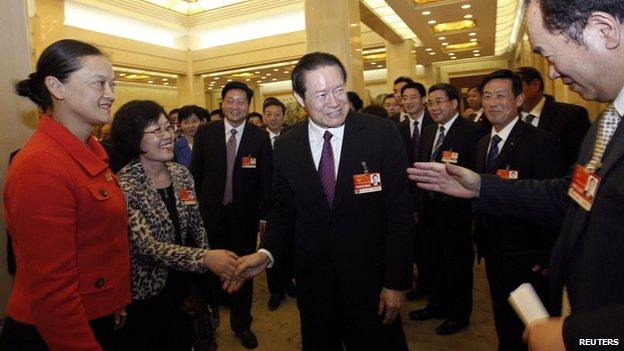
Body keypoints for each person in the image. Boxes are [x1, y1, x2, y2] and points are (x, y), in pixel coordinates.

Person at [407, 1, 624, 349]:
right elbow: (570, 196)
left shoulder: (560, 134)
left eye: (549, 55)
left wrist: (584, 336)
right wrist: (481, 186)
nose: (551, 73)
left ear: (604, 30)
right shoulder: (608, 123)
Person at [234, 52, 414, 350]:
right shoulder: (287, 144)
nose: (334, 102)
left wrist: (396, 281)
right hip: (315, 283)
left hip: (370, 282)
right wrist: (266, 252)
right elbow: (283, 212)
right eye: (321, 94)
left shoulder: (381, 133)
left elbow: (400, 213)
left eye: (339, 90)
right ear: (300, 98)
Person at [0, 39, 131, 351]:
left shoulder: (90, 154)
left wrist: (112, 302)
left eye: (112, 84)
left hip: (94, 314)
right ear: (56, 88)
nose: (110, 94)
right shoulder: (42, 164)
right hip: (55, 333)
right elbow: (52, 293)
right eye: (99, 83)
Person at [108, 100, 239, 351]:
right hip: (149, 291)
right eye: (157, 130)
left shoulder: (181, 174)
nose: (168, 135)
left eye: (168, 127)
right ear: (133, 138)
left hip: (187, 283)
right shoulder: (124, 185)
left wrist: (207, 272)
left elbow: (196, 224)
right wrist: (204, 258)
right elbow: (146, 248)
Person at [473, 69, 566, 351]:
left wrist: (548, 253)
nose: (492, 103)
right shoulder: (481, 144)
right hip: (494, 251)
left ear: (519, 99)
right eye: (487, 96)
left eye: (501, 96)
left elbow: (555, 203)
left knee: (536, 329)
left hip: (529, 256)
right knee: (504, 320)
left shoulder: (541, 142)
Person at [190, 81, 272, 349]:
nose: (235, 106)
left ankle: (242, 324)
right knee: (207, 272)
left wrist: (264, 216)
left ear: (248, 106)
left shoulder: (258, 137)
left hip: (244, 218)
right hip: (210, 216)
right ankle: (207, 326)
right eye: (230, 100)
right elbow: (195, 175)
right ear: (222, 103)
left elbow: (265, 180)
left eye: (241, 102)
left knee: (242, 270)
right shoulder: (205, 133)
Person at [408, 83, 485, 335]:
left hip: (458, 213)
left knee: (458, 266)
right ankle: (437, 304)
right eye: (430, 103)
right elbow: (421, 171)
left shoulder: (473, 132)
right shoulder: (429, 132)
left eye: (439, 101)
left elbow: (478, 176)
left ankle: (459, 314)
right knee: (434, 262)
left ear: (454, 104)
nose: (434, 107)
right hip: (429, 211)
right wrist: (418, 206)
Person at [396, 81, 434, 301]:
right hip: (409, 197)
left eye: (413, 97)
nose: (408, 102)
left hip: (433, 196)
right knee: (416, 245)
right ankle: (423, 284)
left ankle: (434, 286)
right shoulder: (398, 129)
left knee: (434, 248)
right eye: (405, 98)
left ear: (423, 99)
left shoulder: (434, 124)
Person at [515, 66, 590, 170]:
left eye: (517, 88)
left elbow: (580, 162)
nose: (513, 94)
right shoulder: (509, 120)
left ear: (535, 84)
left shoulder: (571, 115)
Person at [261, 96, 295, 310]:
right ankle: (276, 290)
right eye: (269, 114)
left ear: (284, 116)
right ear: (263, 116)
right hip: (267, 203)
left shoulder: (294, 136)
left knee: (292, 246)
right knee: (269, 246)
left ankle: (291, 281)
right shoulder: (256, 138)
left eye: (277, 114)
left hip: (291, 201)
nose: (273, 118)